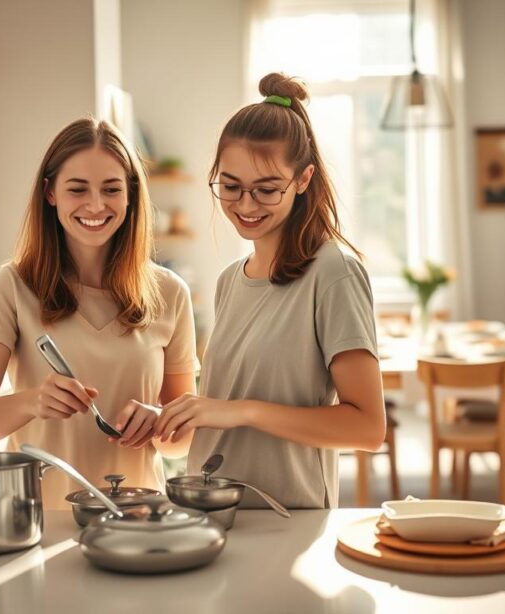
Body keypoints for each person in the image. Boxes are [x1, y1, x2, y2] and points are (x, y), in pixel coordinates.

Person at [155, 73, 386, 509]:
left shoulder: (333, 272)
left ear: (303, 180)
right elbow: (221, 416)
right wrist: (171, 418)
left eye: (266, 190)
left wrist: (243, 410)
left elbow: (368, 429)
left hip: (286, 522)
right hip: (211, 513)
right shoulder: (230, 281)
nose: (245, 205)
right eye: (230, 187)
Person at [0, 117, 198, 509]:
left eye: (111, 189)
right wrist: (32, 402)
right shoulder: (13, 286)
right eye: (77, 189)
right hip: (38, 523)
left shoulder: (170, 293)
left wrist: (159, 421)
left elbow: (181, 442)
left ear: (131, 195)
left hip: (136, 518)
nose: (96, 205)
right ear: (50, 193)